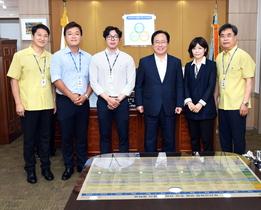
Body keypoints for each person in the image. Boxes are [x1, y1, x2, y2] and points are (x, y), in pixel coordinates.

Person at [7, 24, 56, 184]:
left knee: (45, 138)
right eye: (39, 35)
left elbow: (53, 83)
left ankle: (46, 168)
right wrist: (18, 103)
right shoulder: (20, 56)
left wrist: (54, 101)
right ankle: (30, 169)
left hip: (47, 105)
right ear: (32, 36)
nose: (42, 38)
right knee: (29, 139)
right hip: (28, 105)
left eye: (45, 36)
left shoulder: (51, 57)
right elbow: (14, 80)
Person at [50, 22, 92, 180]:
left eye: (76, 33)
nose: (73, 36)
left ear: (81, 36)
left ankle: (82, 164)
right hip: (66, 101)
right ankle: (68, 166)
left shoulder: (89, 57)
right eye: (70, 33)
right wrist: (71, 95)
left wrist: (86, 96)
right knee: (67, 136)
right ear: (65, 37)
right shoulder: (57, 56)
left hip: (83, 100)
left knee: (82, 135)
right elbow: (56, 79)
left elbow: (92, 80)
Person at [135, 30, 184, 152]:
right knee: (150, 139)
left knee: (169, 139)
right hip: (150, 106)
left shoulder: (175, 62)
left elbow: (179, 85)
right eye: (157, 42)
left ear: (168, 44)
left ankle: (169, 167)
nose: (160, 45)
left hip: (170, 106)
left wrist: (179, 103)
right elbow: (139, 84)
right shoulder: (144, 61)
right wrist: (139, 103)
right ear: (152, 45)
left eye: (163, 42)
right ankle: (149, 166)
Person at [90, 26, 136, 154]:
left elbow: (131, 82)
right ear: (105, 38)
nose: (112, 39)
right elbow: (94, 81)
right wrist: (108, 99)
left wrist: (118, 99)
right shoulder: (96, 58)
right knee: (104, 136)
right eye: (109, 36)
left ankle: (124, 165)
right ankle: (104, 164)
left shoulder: (127, 58)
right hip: (104, 101)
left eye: (115, 36)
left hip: (122, 102)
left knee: (123, 136)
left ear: (119, 39)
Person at [214, 23, 256, 155]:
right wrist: (215, 98)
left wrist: (245, 103)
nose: (225, 39)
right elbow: (218, 80)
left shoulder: (243, 56)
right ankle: (226, 164)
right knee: (224, 138)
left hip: (237, 106)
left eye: (229, 35)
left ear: (235, 37)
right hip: (223, 105)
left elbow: (249, 80)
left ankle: (240, 167)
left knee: (238, 139)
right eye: (222, 36)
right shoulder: (219, 57)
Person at [184, 37, 217, 151]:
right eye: (194, 48)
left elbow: (211, 86)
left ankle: (208, 166)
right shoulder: (188, 66)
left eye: (200, 48)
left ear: (205, 49)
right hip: (191, 108)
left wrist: (200, 104)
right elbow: (185, 85)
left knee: (207, 140)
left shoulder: (211, 65)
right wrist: (188, 102)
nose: (196, 51)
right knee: (194, 139)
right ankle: (195, 165)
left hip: (206, 109)